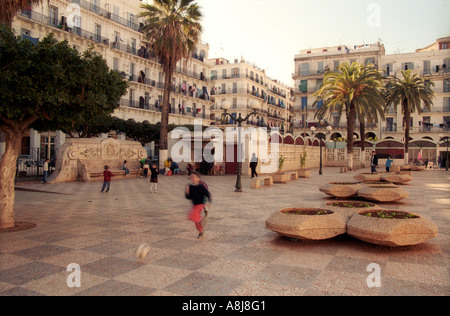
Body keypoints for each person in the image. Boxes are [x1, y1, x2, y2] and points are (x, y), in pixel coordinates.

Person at [185, 172, 211, 239]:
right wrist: (187, 192)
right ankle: (201, 231)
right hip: (194, 205)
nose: (192, 178)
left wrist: (209, 202)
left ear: (198, 178)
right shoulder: (191, 187)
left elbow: (207, 194)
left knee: (193, 216)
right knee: (195, 220)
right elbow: (189, 197)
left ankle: (202, 219)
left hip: (200, 204)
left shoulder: (201, 186)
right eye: (191, 177)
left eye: (194, 177)